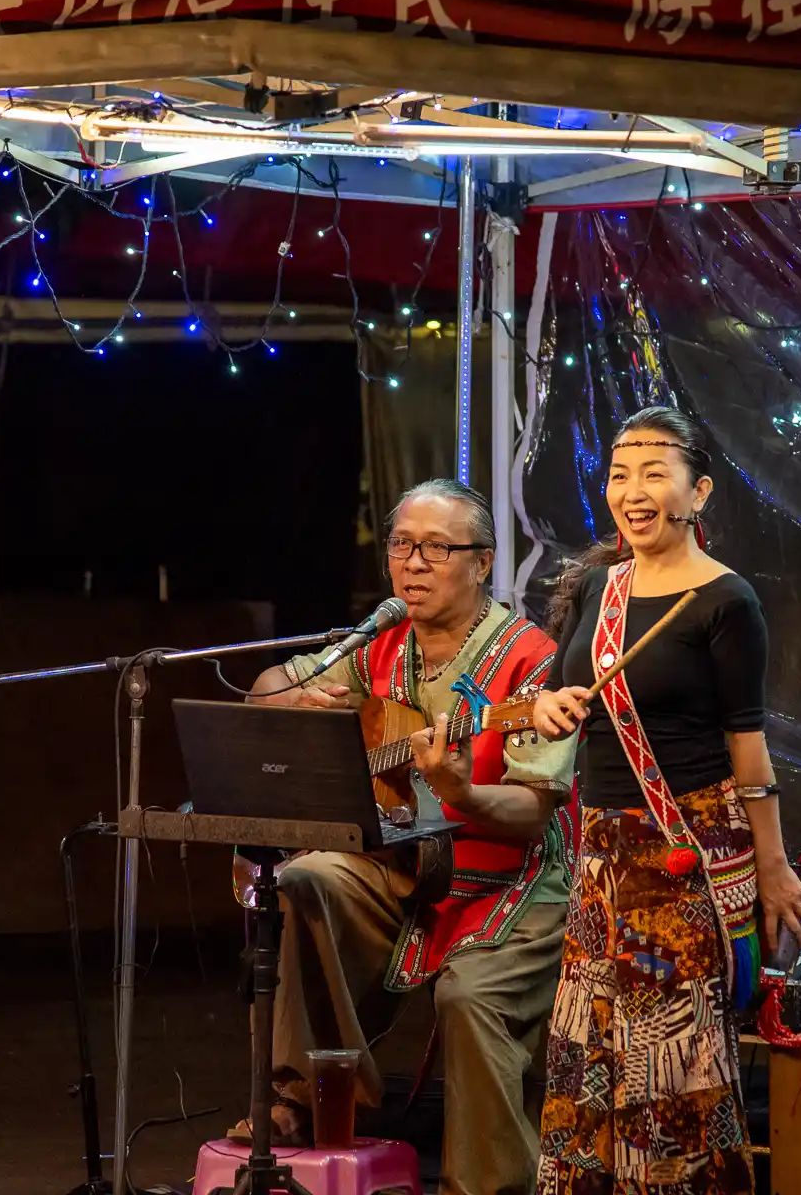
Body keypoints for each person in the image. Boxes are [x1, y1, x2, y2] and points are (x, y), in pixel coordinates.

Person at [245, 479, 578, 1195]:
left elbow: (533, 810)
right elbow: (270, 682)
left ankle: (486, 1187)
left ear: (483, 564)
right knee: (305, 878)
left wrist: (459, 791)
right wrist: (293, 695)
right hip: (402, 864)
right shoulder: (379, 645)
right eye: (402, 544)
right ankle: (303, 1094)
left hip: (509, 881)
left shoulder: (532, 661)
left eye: (436, 547)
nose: (413, 563)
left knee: (468, 999)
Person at [530, 406, 801, 1195]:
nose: (634, 491)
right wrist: (546, 707)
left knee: (670, 1062)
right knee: (590, 1054)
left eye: (655, 473)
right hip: (600, 859)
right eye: (621, 474)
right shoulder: (597, 586)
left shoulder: (727, 603)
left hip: (683, 853)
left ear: (700, 492)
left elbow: (747, 748)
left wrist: (772, 866)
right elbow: (563, 694)